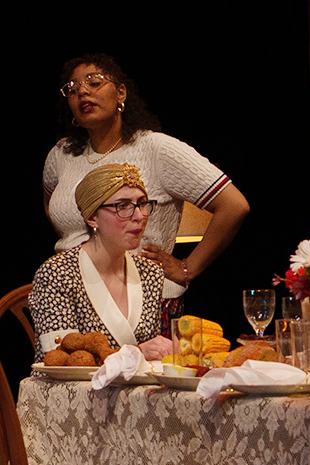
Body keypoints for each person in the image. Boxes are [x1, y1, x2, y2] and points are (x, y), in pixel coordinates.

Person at [39, 52, 251, 291]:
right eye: (72, 89)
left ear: (121, 93)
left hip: (142, 296)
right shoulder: (61, 154)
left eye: (95, 83)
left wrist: (187, 268)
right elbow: (52, 207)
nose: (83, 92)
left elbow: (234, 205)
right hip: (71, 293)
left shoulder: (156, 148)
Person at [24, 158, 183, 354]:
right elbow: (62, 359)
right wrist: (137, 352)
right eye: (122, 206)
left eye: (142, 204)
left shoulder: (150, 273)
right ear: (92, 217)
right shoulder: (57, 274)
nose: (139, 216)